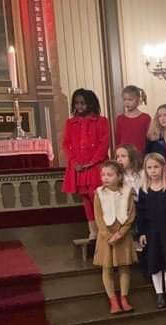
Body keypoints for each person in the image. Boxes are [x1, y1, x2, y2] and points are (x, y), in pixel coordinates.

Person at [137, 153, 166, 308]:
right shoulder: (143, 190)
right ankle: (159, 294)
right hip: (151, 234)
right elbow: (141, 214)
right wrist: (141, 233)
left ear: (163, 168)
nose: (153, 170)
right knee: (155, 263)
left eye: (156, 167)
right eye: (149, 167)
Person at [62, 88, 110, 240]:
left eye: (83, 103)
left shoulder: (101, 121)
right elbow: (66, 144)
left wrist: (92, 162)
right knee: (86, 199)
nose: (79, 106)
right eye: (77, 103)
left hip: (96, 167)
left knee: (98, 197)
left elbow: (104, 144)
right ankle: (93, 230)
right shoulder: (71, 123)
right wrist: (74, 162)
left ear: (90, 104)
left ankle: (103, 229)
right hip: (79, 167)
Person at [93, 161, 137, 314]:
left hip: (122, 234)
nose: (105, 177)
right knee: (107, 268)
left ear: (119, 176)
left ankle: (124, 298)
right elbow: (98, 217)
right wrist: (107, 235)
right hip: (106, 236)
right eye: (103, 175)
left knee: (124, 267)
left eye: (110, 175)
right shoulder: (99, 193)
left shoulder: (127, 191)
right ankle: (113, 300)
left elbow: (131, 214)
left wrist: (121, 233)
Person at [115, 85, 150, 153]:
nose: (127, 102)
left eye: (130, 100)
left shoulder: (145, 118)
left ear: (138, 100)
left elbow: (148, 140)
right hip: (124, 155)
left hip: (140, 154)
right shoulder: (120, 119)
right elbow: (117, 140)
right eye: (125, 99)